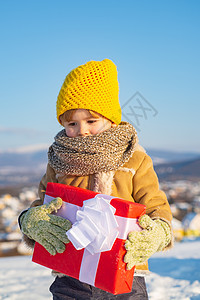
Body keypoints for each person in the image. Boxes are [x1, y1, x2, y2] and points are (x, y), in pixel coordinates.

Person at [18, 59, 173, 299]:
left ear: (111, 119)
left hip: (124, 272)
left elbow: (156, 206)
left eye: (91, 121)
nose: (82, 130)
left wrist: (159, 233)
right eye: (72, 123)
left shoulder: (135, 159)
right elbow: (42, 204)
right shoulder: (59, 161)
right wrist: (30, 221)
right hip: (70, 276)